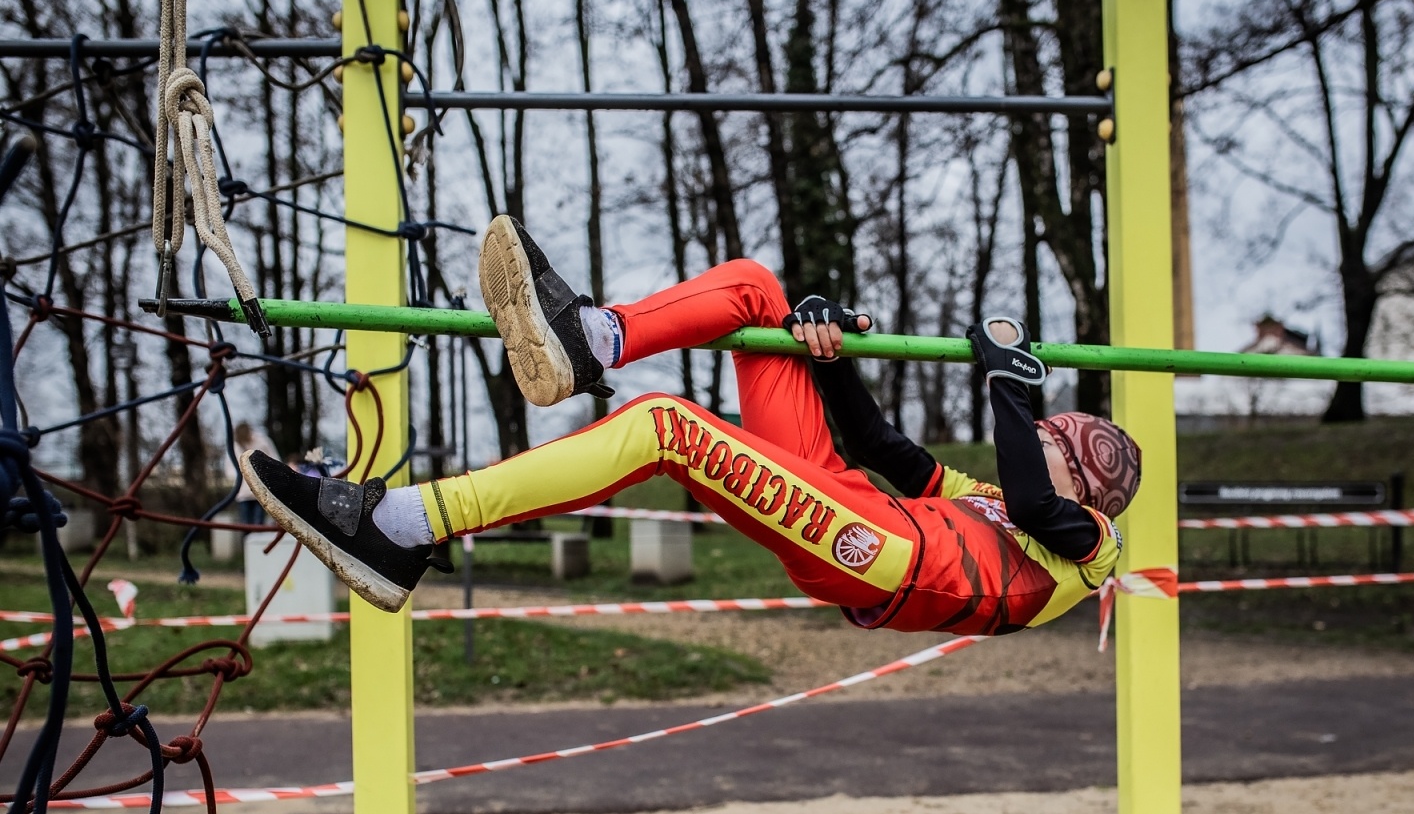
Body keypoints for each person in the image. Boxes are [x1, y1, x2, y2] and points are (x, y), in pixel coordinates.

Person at [242, 216, 1141, 636]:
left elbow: (1031, 490)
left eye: (1061, 451)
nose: (1041, 453)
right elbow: (882, 451)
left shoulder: (1087, 546)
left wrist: (1012, 396)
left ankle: (402, 528)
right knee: (757, 288)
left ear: (1091, 491)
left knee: (667, 427)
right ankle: (591, 340)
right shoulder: (995, 504)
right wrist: (827, 360)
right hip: (858, 498)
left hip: (880, 555)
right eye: (1049, 435)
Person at [231, 422, 280, 525]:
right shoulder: (236, 446)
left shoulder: (262, 441)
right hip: (244, 493)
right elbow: (230, 467)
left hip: (260, 490)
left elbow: (275, 460)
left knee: (258, 523)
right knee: (245, 523)